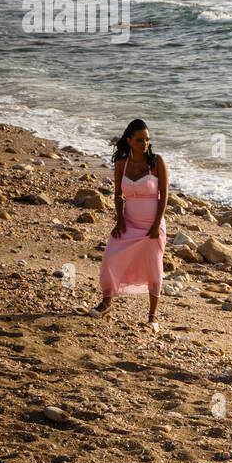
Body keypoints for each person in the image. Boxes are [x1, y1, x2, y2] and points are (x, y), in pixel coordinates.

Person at [92, 119, 168, 329]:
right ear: (129, 140)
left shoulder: (157, 163)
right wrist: (120, 220)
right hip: (129, 223)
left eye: (147, 139)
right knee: (109, 259)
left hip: (152, 225)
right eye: (140, 140)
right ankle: (106, 303)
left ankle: (152, 315)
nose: (145, 143)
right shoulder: (121, 165)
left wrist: (156, 225)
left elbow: (164, 197)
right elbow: (118, 195)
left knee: (154, 268)